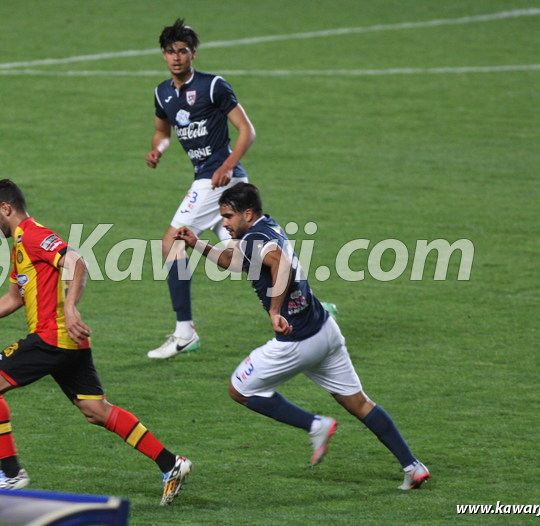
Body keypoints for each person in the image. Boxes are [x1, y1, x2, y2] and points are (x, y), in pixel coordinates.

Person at [0, 179, 192, 505]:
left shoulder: (34, 235)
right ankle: (170, 463)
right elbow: (13, 299)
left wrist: (69, 304)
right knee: (95, 410)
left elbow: (77, 262)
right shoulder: (19, 248)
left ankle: (10, 473)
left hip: (53, 339)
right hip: (68, 343)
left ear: (6, 209)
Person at [174, 183, 429, 490]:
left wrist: (274, 310)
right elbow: (234, 261)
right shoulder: (265, 227)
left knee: (239, 389)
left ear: (248, 214)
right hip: (325, 331)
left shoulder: (254, 238)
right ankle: (412, 466)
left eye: (228, 216)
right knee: (360, 404)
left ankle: (315, 425)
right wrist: (197, 243)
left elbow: (279, 262)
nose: (224, 223)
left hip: (297, 341)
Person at [145, 18, 256, 359]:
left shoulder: (213, 86)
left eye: (182, 51)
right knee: (242, 260)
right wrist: (158, 151)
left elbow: (246, 131)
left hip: (217, 179)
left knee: (171, 242)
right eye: (169, 51)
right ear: (163, 55)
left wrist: (224, 166)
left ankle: (184, 332)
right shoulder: (162, 93)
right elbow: (162, 133)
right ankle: (307, 302)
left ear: (193, 53)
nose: (175, 57)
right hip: (218, 181)